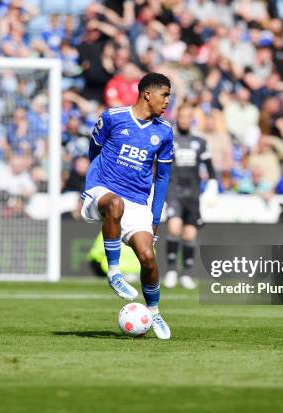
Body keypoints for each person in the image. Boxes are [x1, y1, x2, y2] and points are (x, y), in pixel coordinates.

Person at [80, 73, 173, 339]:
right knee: (115, 204)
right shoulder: (112, 117)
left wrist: (154, 219)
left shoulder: (164, 131)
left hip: (137, 202)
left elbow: (163, 178)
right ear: (147, 94)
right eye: (164, 95)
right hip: (102, 190)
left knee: (148, 257)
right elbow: (94, 150)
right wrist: (94, 180)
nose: (167, 101)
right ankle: (114, 272)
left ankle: (153, 312)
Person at [164, 103, 217, 290]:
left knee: (189, 234)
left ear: (191, 119)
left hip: (193, 193)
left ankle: (186, 274)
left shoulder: (199, 141)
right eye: (182, 116)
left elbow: (209, 168)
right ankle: (171, 271)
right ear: (177, 117)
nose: (185, 120)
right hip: (174, 190)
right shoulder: (169, 138)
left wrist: (212, 185)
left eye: (188, 117)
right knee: (174, 227)